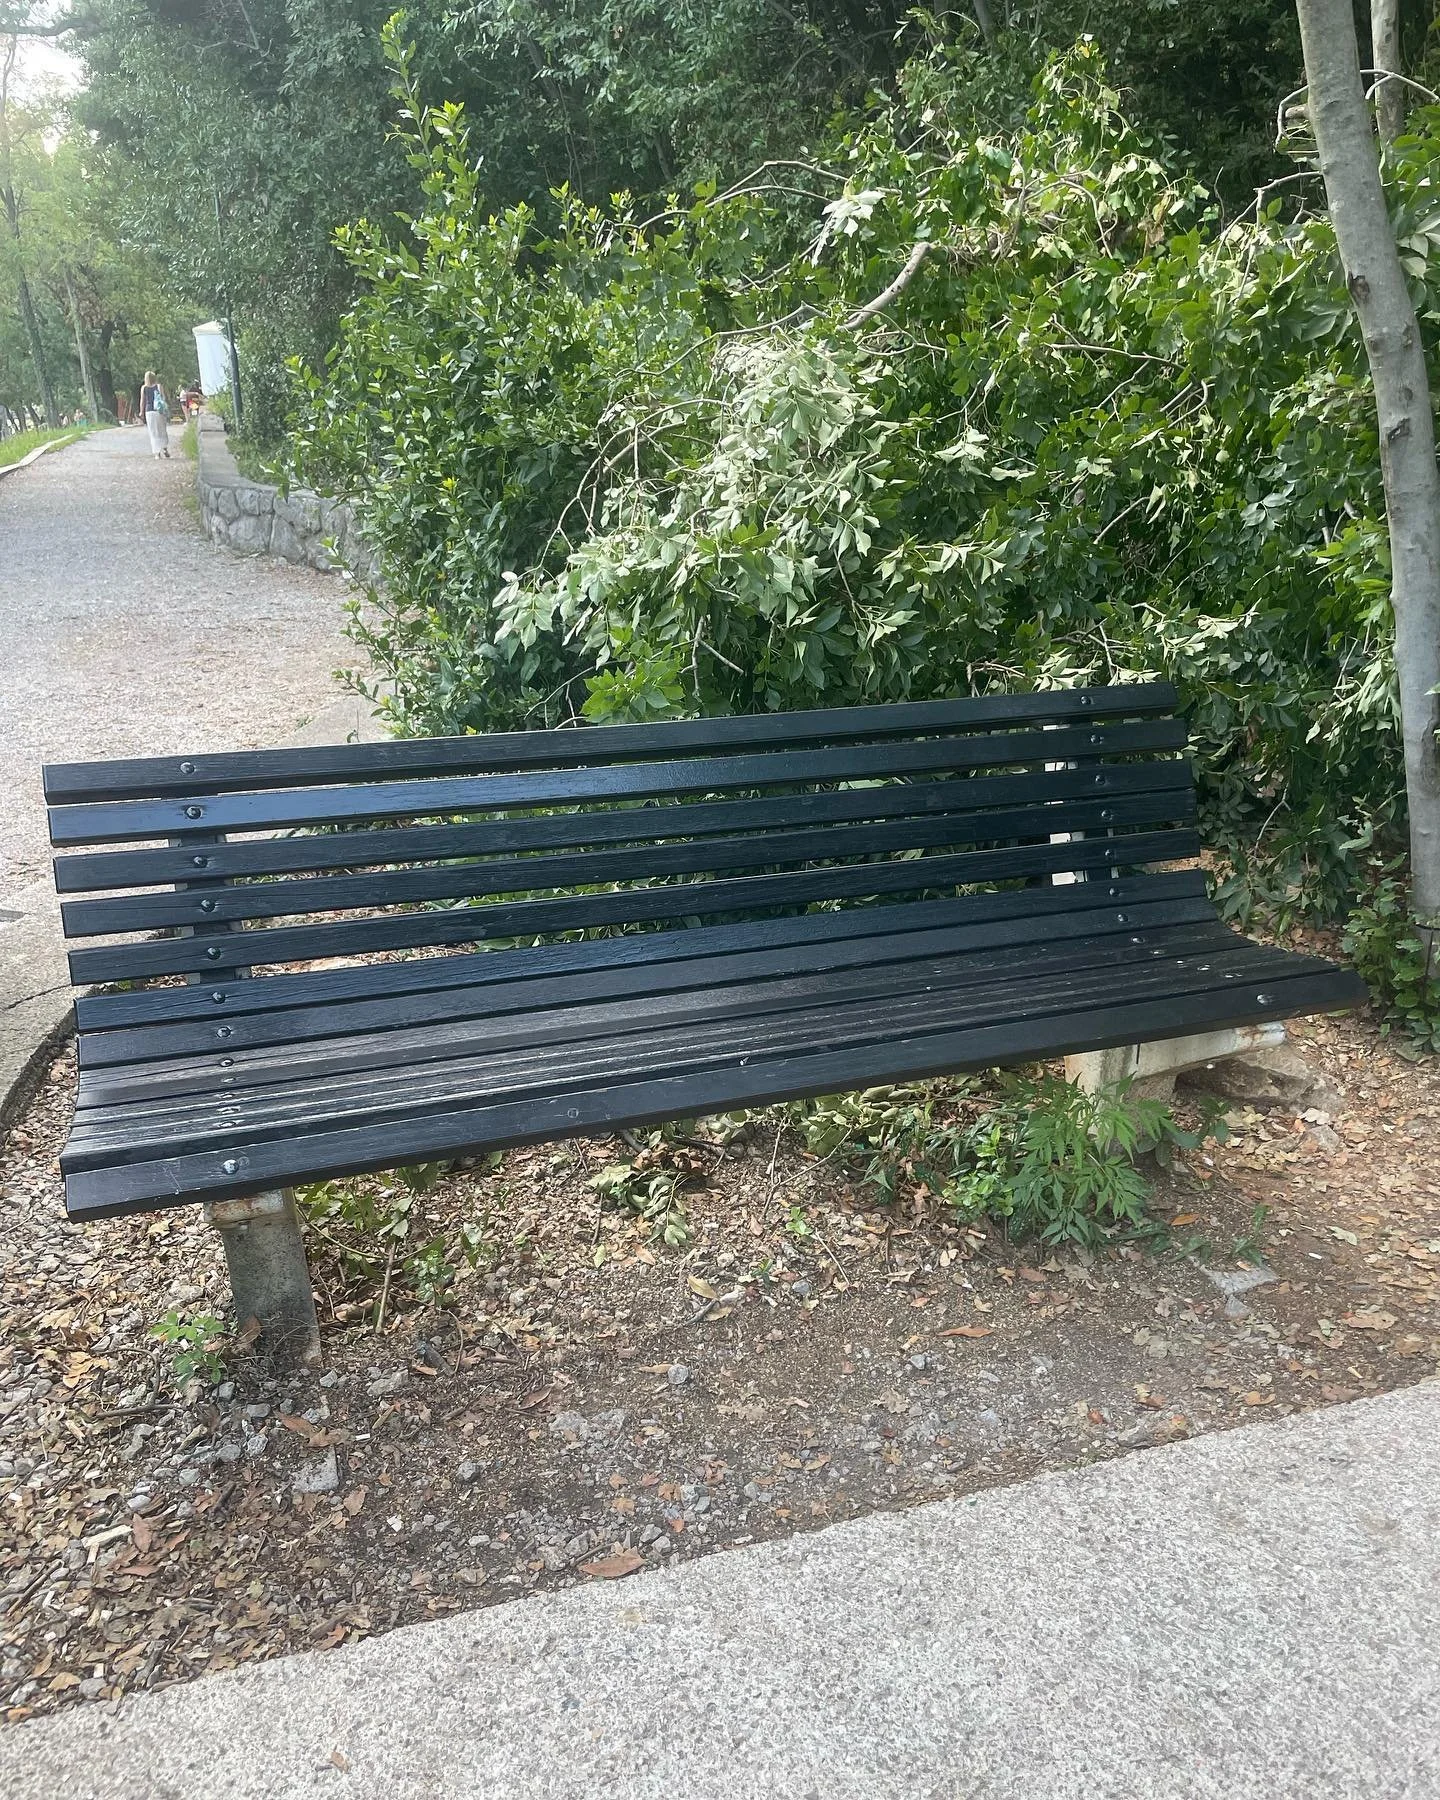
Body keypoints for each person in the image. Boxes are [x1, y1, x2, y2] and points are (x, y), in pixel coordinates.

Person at [140, 370, 171, 459]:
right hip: (159, 411)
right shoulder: (159, 386)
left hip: (149, 412)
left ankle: (157, 453)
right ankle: (164, 448)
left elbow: (142, 401)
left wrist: (141, 412)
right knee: (162, 430)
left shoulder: (144, 388)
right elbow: (163, 398)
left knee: (153, 432)